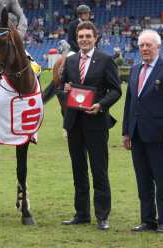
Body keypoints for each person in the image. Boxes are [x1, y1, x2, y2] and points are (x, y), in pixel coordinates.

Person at [60, 21, 122, 230]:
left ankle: (102, 216)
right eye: (81, 36)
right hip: (74, 123)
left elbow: (116, 90)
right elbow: (63, 89)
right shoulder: (70, 61)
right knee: (78, 170)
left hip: (96, 122)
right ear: (76, 39)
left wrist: (101, 105)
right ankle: (81, 213)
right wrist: (66, 89)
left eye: (88, 36)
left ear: (95, 38)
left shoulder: (105, 60)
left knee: (99, 170)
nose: (84, 39)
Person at [122, 29, 163, 234]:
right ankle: (147, 220)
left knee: (162, 179)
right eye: (142, 45)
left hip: (160, 136)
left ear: (158, 47)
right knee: (143, 180)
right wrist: (126, 131)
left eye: (149, 45)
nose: (145, 48)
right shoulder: (134, 69)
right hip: (137, 134)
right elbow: (129, 103)